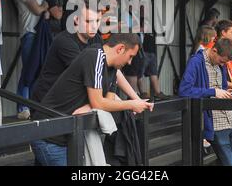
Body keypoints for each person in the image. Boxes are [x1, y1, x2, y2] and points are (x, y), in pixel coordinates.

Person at [31, 33, 154, 166]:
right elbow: (99, 103)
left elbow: (108, 102)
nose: (130, 62)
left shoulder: (113, 68)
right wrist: (131, 104)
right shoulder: (95, 56)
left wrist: (92, 105)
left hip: (69, 137)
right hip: (50, 138)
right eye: (130, 56)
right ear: (120, 49)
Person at [179, 38, 232, 166]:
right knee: (231, 163)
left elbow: (222, 86)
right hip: (215, 122)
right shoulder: (196, 61)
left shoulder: (220, 64)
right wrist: (213, 92)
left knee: (231, 161)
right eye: (221, 61)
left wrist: (224, 92)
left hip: (231, 119)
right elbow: (184, 90)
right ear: (214, 50)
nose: (222, 64)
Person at [16, 0, 49, 120]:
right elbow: (38, 9)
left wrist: (43, 6)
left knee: (37, 70)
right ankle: (23, 106)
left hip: (38, 35)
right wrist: (43, 6)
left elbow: (44, 7)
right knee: (28, 70)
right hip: (29, 33)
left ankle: (32, 105)